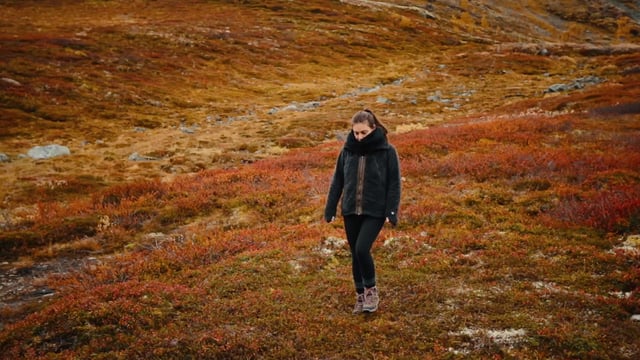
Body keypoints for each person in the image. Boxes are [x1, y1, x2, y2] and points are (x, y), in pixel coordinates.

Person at [324, 109, 401, 314]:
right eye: (356, 133)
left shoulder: (387, 151)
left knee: (361, 249)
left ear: (373, 128)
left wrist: (391, 210)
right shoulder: (347, 150)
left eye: (363, 133)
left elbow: (394, 183)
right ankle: (360, 296)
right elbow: (338, 180)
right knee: (354, 254)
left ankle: (370, 291)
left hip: (374, 210)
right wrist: (330, 208)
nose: (358, 137)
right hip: (350, 209)